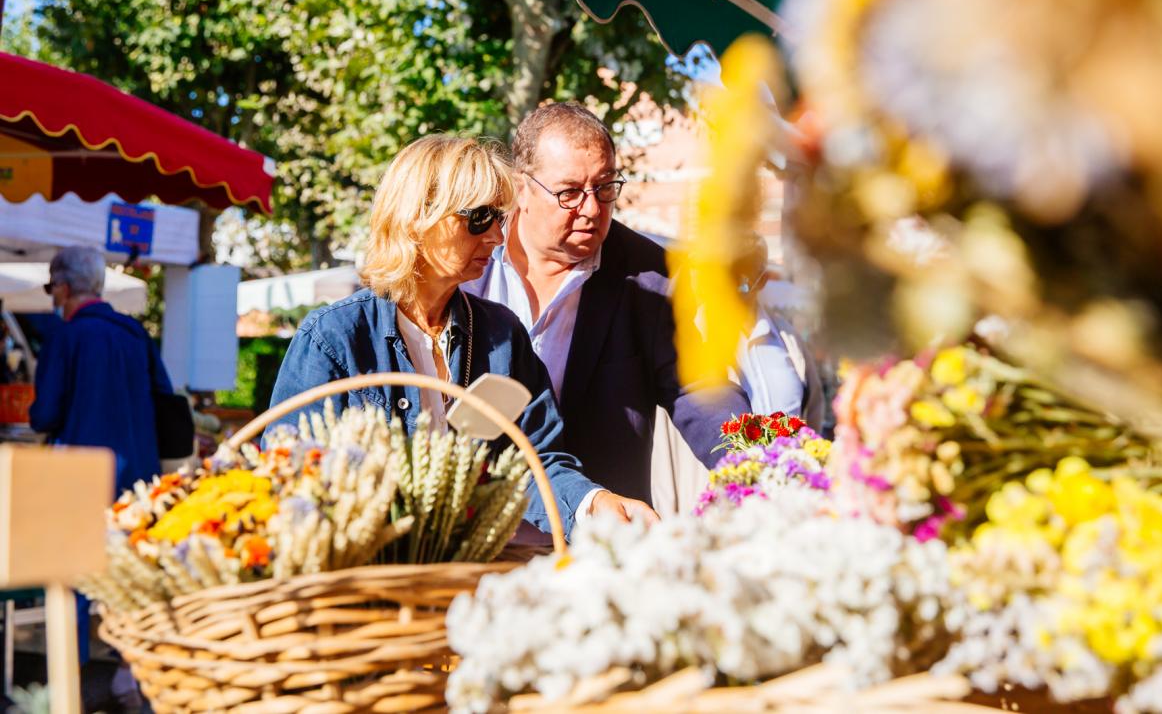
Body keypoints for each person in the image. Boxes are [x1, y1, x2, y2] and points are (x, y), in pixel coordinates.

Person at [271, 135, 651, 539]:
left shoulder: (503, 336)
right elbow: (287, 477)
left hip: (466, 569)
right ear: (418, 217)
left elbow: (533, 460)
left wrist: (593, 504)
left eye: (499, 218)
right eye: (479, 218)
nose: (497, 237)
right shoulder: (334, 339)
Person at [462, 103, 750, 506]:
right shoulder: (467, 258)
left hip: (599, 527)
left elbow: (699, 389)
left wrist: (758, 462)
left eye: (605, 187)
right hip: (468, 521)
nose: (592, 209)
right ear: (521, 188)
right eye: (569, 193)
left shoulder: (653, 276)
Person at [29, 245, 171, 697]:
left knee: (71, 576)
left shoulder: (65, 337)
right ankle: (134, 677)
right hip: (139, 476)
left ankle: (69, 680)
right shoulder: (135, 334)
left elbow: (45, 414)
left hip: (79, 475)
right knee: (131, 576)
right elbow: (166, 401)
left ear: (63, 287)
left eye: (51, 287)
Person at [729, 233, 825, 431]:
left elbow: (814, 409)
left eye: (742, 282)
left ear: (762, 280)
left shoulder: (787, 338)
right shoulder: (701, 340)